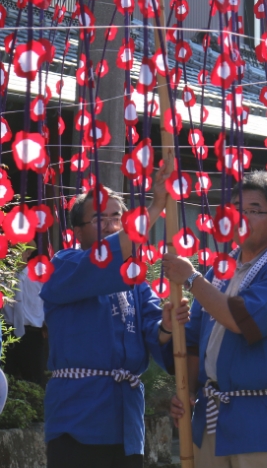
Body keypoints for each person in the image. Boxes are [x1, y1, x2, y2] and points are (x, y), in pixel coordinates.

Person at [41, 161, 189, 467]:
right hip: (78, 416)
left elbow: (156, 335)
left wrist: (167, 324)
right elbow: (103, 259)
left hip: (126, 421)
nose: (109, 225)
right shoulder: (63, 266)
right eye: (99, 218)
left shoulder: (135, 282)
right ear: (77, 229)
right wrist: (156, 205)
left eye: (116, 218)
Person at [164, 171, 267, 466]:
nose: (241, 217)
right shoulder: (219, 270)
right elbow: (193, 342)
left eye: (254, 210)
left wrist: (191, 279)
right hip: (211, 416)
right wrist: (188, 390)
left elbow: (243, 320)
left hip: (263, 419)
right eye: (235, 209)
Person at [2, 247, 46, 386]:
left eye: (18, 250)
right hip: (8, 334)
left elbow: (49, 303)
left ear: (28, 253)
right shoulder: (3, 277)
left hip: (32, 335)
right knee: (8, 382)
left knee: (33, 381)